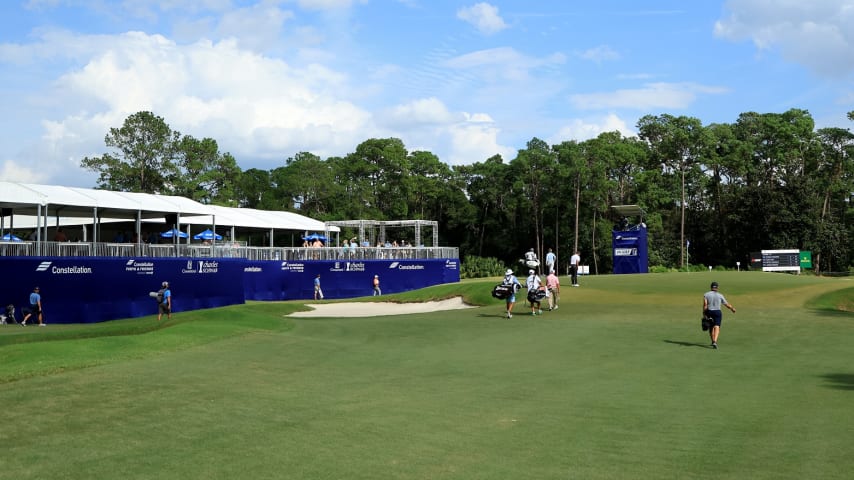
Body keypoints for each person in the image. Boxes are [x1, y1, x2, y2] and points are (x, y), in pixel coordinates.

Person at [703, 281, 735, 349]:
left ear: (711, 287)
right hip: (717, 312)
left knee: (711, 327)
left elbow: (705, 305)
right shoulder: (720, 295)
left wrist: (704, 313)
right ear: (717, 288)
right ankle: (715, 341)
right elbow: (726, 304)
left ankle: (712, 341)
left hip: (709, 312)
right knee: (717, 326)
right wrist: (732, 308)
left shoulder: (706, 294)